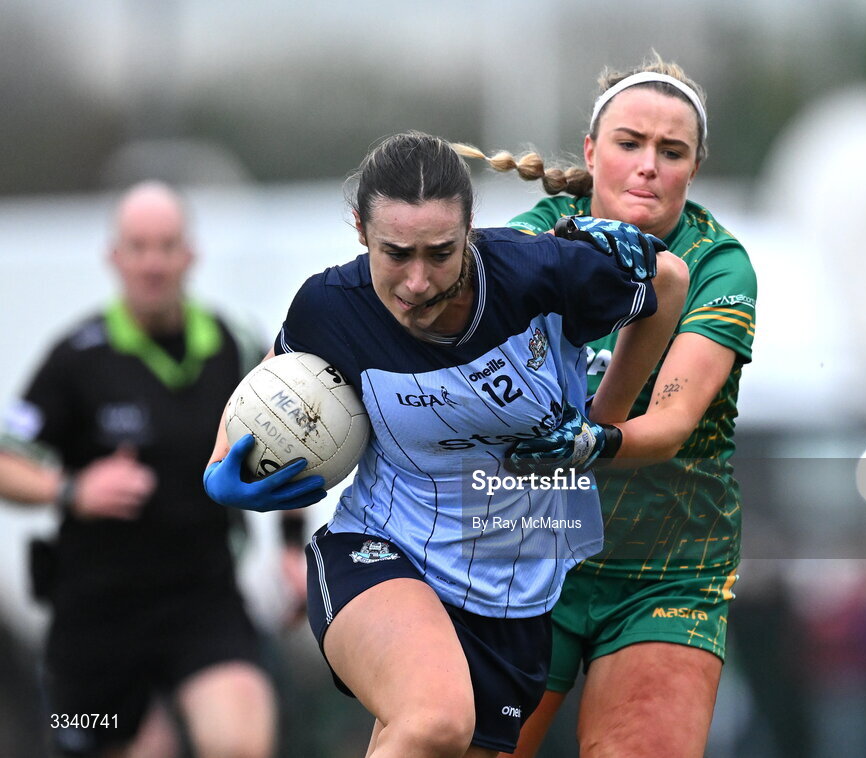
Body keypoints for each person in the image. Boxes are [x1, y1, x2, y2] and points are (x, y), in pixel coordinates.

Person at [202, 131, 690, 758]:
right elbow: (267, 394)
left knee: (428, 738)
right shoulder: (331, 306)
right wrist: (221, 469)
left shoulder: (535, 275)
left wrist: (600, 424)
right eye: (395, 253)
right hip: (382, 550)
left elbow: (667, 283)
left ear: (470, 231)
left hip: (514, 593)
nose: (417, 281)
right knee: (434, 719)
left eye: (440, 253)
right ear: (360, 231)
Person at [458, 52, 757, 758]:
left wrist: (593, 441)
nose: (649, 165)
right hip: (529, 555)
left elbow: (674, 420)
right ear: (593, 154)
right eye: (630, 143)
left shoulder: (719, 264)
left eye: (671, 151)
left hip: (667, 571)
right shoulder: (537, 235)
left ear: (694, 168)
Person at [0, 181, 277, 758]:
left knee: (240, 743)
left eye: (167, 245)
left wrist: (296, 547)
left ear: (190, 254)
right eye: (138, 246)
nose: (153, 263)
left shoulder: (235, 345)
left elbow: (293, 440)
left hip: (203, 599)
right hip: (95, 618)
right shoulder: (76, 359)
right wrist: (70, 488)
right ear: (114, 257)